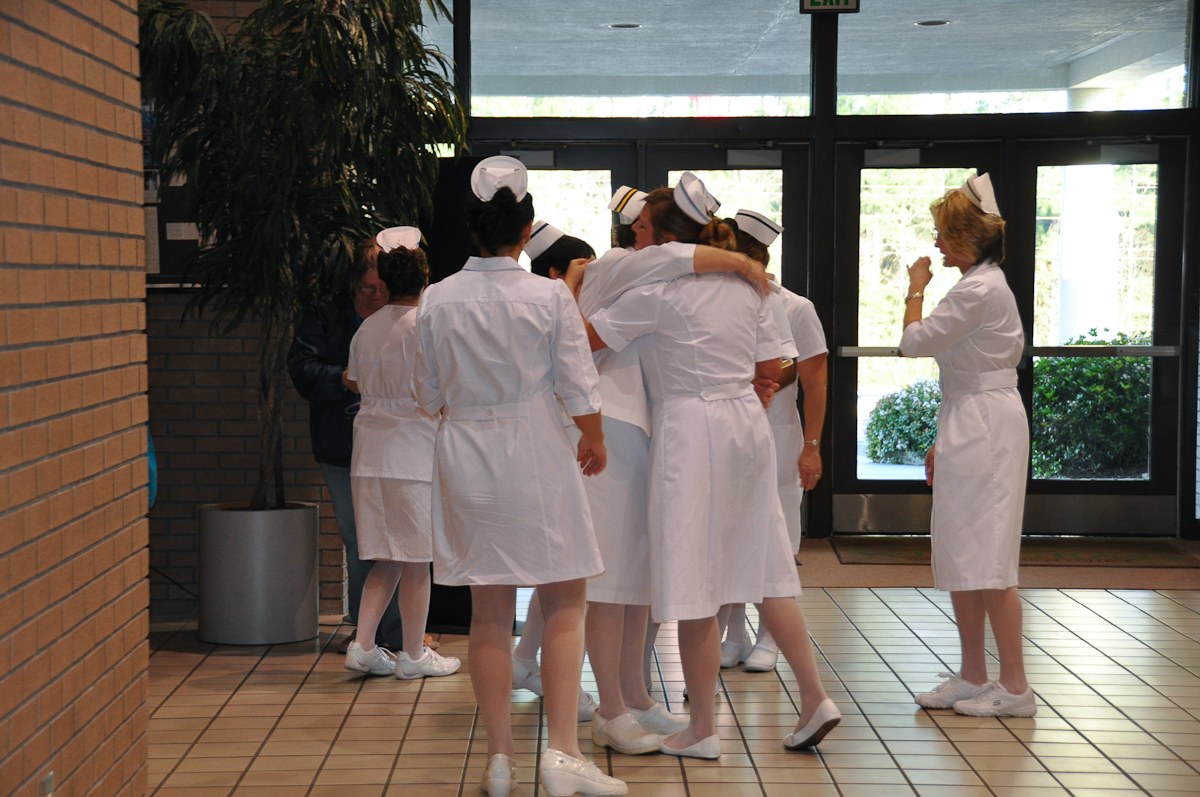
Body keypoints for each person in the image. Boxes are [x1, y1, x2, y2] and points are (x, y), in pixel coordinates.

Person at [585, 173, 841, 760]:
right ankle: (814, 696)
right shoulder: (752, 289)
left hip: (688, 426)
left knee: (693, 579)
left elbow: (587, 338)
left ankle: (702, 728)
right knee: (765, 569)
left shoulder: (660, 292)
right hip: (747, 427)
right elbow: (771, 371)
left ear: (667, 238)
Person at [412, 156, 626, 797]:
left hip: (465, 456)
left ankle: (500, 761)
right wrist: (594, 437)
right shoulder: (548, 295)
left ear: (472, 227)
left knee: (488, 612)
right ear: (526, 228)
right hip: (535, 450)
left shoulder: (437, 298)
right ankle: (561, 754)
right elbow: (577, 382)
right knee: (564, 599)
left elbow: (427, 393)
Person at [901, 173, 1035, 718]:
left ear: (964, 236)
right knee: (962, 549)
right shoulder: (979, 284)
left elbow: (913, 342)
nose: (936, 243)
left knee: (991, 558)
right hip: (970, 416)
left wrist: (915, 287)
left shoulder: (979, 289)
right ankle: (974, 673)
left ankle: (1016, 686)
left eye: (942, 233)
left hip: (985, 422)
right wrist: (944, 440)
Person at [341, 227, 461, 681]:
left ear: (386, 281)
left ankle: (362, 645)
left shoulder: (368, 327)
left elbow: (352, 379)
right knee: (415, 560)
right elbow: (441, 389)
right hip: (412, 455)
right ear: (426, 277)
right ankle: (413, 654)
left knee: (386, 557)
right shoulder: (426, 326)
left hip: (368, 456)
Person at [718, 210, 829, 674]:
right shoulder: (722, 301)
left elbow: (815, 380)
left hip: (780, 440)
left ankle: (769, 637)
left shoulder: (796, 307)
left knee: (777, 540)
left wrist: (812, 446)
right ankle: (734, 633)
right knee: (730, 537)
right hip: (731, 439)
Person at [287, 240, 405, 652]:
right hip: (341, 443)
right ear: (353, 284)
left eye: (382, 288)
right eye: (367, 288)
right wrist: (342, 379)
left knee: (402, 539)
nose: (375, 295)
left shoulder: (404, 316)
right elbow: (301, 367)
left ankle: (399, 634)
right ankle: (367, 632)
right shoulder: (327, 313)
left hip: (395, 443)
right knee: (359, 539)